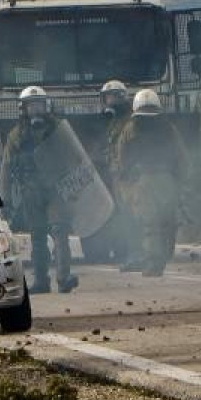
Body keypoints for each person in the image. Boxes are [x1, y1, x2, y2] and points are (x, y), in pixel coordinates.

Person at [0, 86, 79, 293]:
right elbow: (6, 168)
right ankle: (41, 281)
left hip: (56, 189)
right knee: (38, 236)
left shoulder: (59, 129)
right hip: (31, 191)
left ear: (46, 106)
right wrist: (5, 199)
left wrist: (75, 187)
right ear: (23, 109)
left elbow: (73, 159)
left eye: (39, 105)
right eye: (31, 105)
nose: (35, 110)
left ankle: (64, 278)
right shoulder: (16, 136)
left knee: (60, 231)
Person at [112, 89, 188, 277]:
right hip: (167, 180)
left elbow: (122, 156)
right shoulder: (168, 127)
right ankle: (162, 256)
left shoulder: (130, 128)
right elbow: (181, 156)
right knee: (167, 221)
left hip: (144, 180)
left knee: (150, 225)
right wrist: (180, 181)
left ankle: (154, 264)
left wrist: (126, 178)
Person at [83, 80, 134, 267]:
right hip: (111, 174)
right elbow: (106, 147)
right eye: (107, 97)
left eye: (113, 97)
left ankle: (126, 251)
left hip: (125, 176)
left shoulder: (130, 121)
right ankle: (112, 250)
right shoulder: (110, 123)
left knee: (124, 213)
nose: (109, 101)